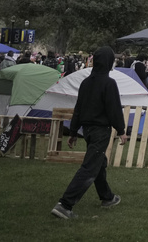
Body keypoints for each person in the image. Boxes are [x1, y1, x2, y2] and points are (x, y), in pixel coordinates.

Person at [51, 46, 127, 220]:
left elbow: (78, 108)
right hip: (101, 130)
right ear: (109, 63)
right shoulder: (109, 83)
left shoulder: (86, 83)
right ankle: (65, 204)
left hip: (88, 130)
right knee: (90, 167)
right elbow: (114, 109)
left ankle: (107, 197)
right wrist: (122, 131)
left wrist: (73, 131)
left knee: (98, 162)